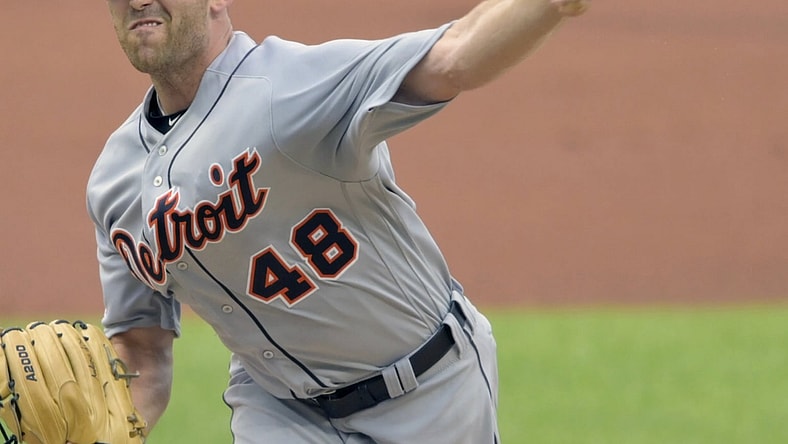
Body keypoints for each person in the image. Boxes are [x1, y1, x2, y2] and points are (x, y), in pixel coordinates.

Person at [88, 0, 590, 442]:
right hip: (280, 413)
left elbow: (452, 57)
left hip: (431, 389)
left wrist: (546, 6)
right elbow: (142, 350)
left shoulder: (291, 85)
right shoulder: (114, 182)